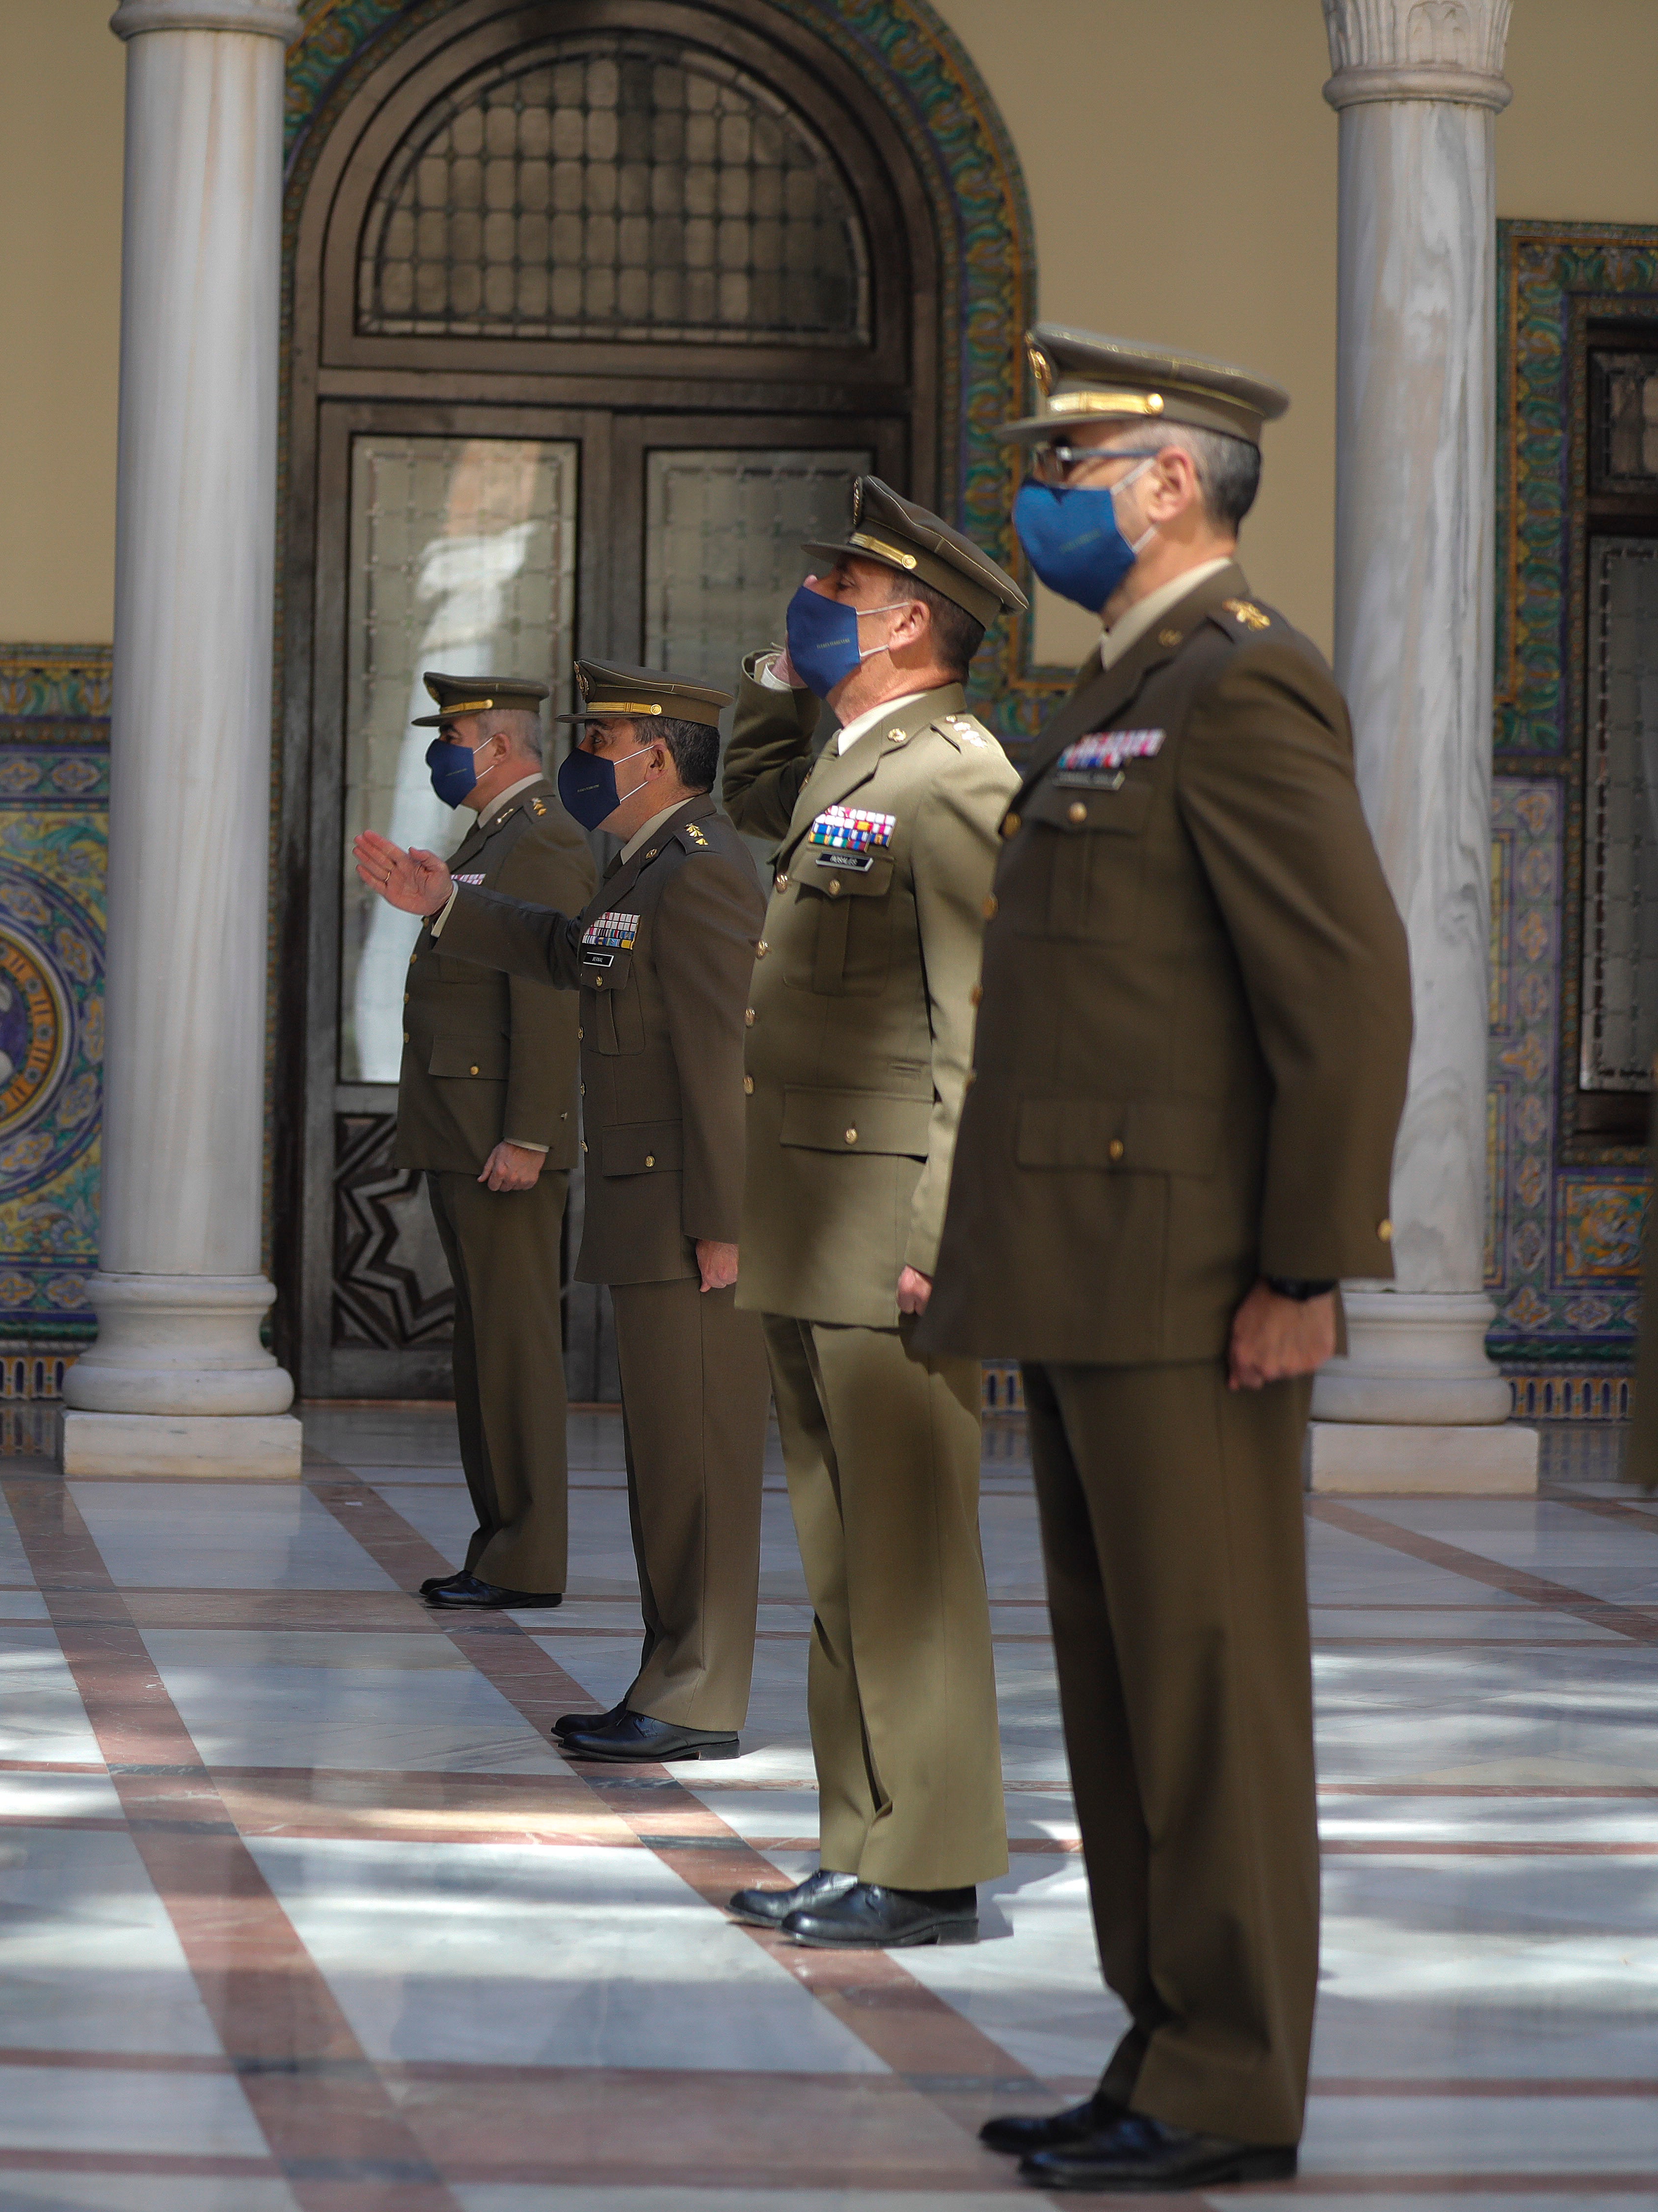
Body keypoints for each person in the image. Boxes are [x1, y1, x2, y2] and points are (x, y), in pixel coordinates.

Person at [929, 326, 1411, 2193]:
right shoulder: (1119, 692)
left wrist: (1308, 1266)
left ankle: (1228, 2078)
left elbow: (1347, 997)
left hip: (1196, 1279)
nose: (1044, 490)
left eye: (1076, 458)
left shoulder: (1243, 686)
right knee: (1127, 1694)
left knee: (1210, 1690)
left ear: (1168, 484)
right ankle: (1160, 2042)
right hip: (1084, 1268)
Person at [705, 477, 1028, 1952]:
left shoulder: (953, 779)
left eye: (840, 587)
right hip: (812, 1221)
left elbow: (988, 1022)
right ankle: (866, 1842)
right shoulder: (857, 768)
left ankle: (932, 1860)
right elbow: (759, 799)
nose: (813, 600)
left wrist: (944, 1236)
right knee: (847, 1558)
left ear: (906, 620)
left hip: (888, 1224)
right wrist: (780, 679)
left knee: (907, 1561)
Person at [357, 662, 767, 1758]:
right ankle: (672, 1672)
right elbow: (561, 953)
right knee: (663, 1461)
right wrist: (446, 903)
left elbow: (724, 1057)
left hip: (687, 1212)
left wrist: (727, 1219)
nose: (588, 757)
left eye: (605, 741)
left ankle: (694, 1687)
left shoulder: (704, 870)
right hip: (649, 1206)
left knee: (694, 1461)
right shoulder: (640, 872)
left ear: (659, 758)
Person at [393, 672, 594, 1610]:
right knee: (485, 1348)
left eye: (458, 734)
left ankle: (525, 1556)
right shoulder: (493, 838)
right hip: (461, 1130)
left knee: (513, 1350)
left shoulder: (544, 837)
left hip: (498, 1140)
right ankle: (498, 1545)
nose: (444, 751)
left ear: (503, 748)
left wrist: (527, 1135)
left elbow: (550, 999)